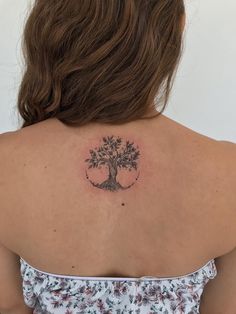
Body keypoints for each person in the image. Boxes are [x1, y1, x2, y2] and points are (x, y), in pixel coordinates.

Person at [0, 0, 235, 313]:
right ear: (177, 27)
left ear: (53, 30)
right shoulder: (227, 172)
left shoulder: (7, 163)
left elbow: (9, 306)